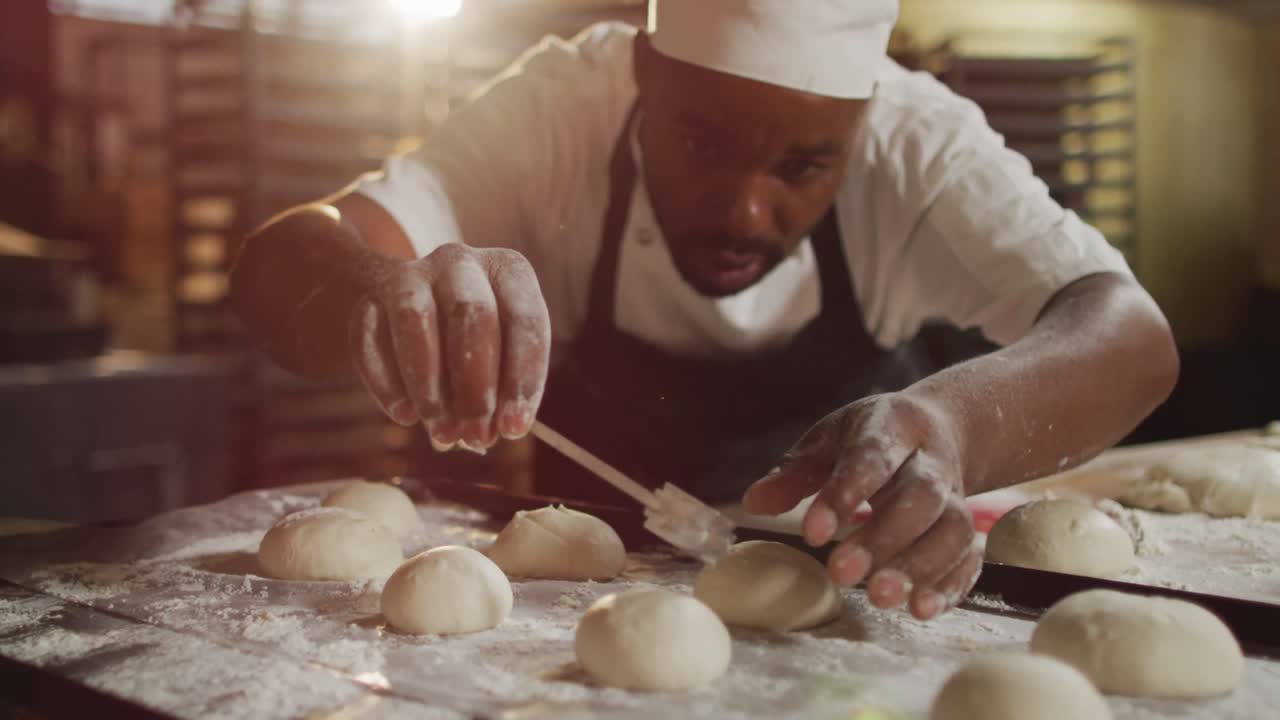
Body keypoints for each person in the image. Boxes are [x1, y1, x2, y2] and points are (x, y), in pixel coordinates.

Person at [229, 0, 1178, 620]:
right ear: (643, 76)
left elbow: (1130, 336)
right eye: (701, 141)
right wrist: (375, 291)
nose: (743, 210)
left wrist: (954, 424)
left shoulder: (920, 145)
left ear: (862, 127)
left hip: (842, 605)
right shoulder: (558, 110)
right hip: (581, 600)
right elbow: (286, 257)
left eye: (803, 167)